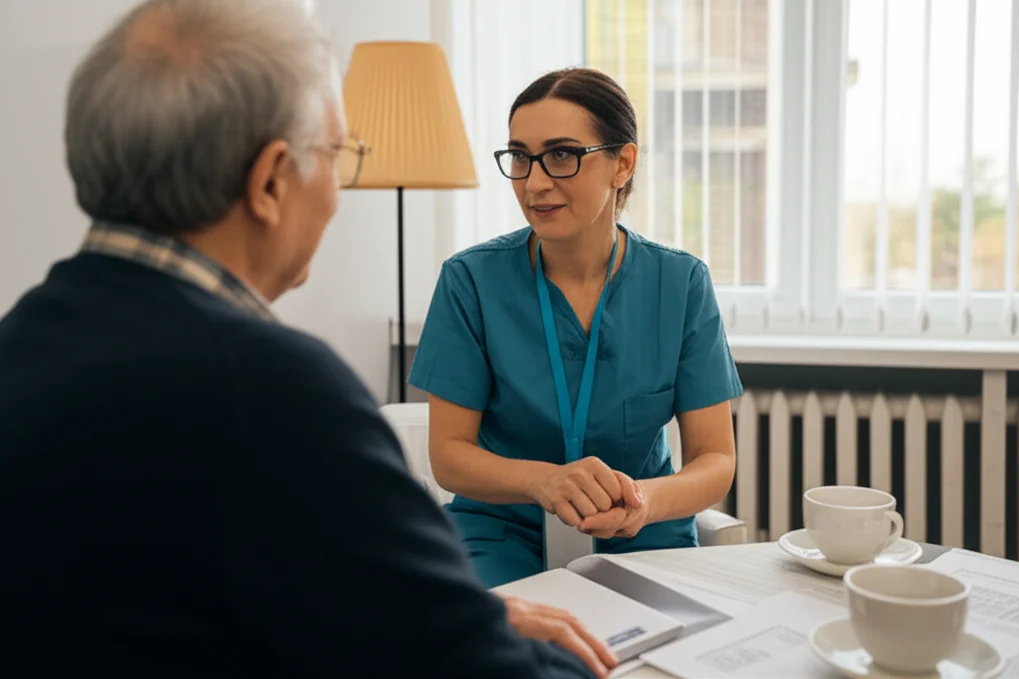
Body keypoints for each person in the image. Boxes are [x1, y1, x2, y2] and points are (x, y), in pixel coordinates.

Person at [0, 2, 615, 677]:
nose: (336, 189)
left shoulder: (24, 341)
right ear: (269, 182)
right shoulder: (275, 393)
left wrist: (447, 609)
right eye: (335, 155)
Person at [409, 67, 743, 588]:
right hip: (500, 532)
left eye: (562, 155)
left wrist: (644, 501)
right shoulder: (470, 281)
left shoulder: (679, 283)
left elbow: (715, 458)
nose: (534, 182)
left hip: (642, 533)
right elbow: (450, 456)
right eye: (521, 157)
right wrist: (544, 482)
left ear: (622, 163)